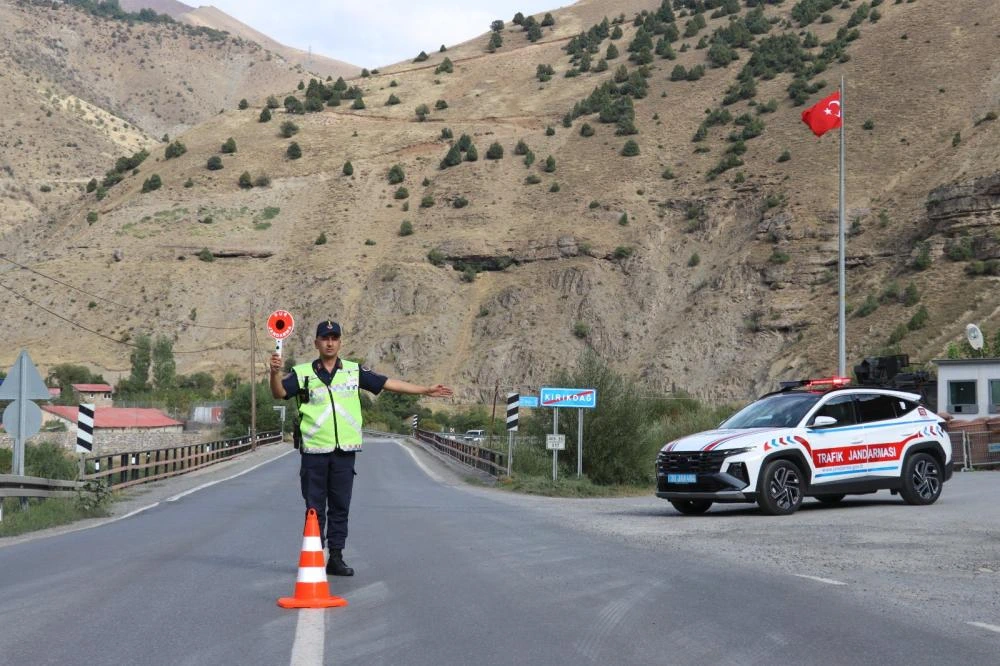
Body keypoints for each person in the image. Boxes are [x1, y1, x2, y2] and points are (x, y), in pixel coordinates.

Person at [269, 320, 452, 576]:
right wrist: (274, 374)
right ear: (316, 343)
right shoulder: (302, 373)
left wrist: (425, 390)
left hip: (344, 452)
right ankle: (314, 557)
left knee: (340, 507)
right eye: (325, 338)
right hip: (314, 453)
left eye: (334, 338)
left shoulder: (353, 371)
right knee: (314, 509)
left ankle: (336, 557)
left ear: (340, 342)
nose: (330, 343)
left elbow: (388, 383)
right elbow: (279, 393)